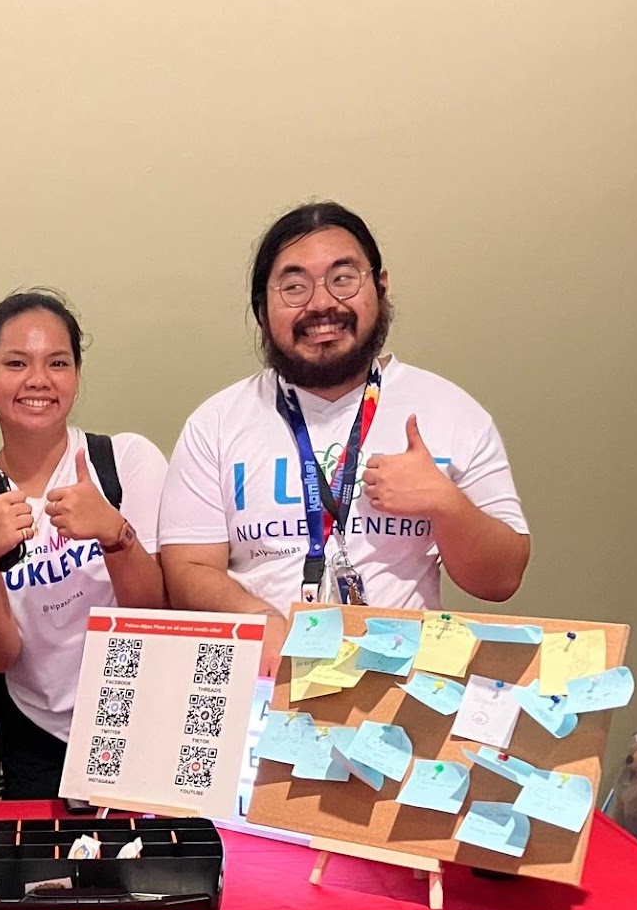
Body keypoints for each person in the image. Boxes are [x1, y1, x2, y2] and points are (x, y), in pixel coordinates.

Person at [159, 202, 529, 662]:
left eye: (343, 278)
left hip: (403, 694)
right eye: (294, 287)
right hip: (263, 683)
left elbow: (501, 580)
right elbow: (188, 568)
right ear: (261, 310)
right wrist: (264, 624)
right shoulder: (216, 422)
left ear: (380, 286)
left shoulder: (449, 410)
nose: (321, 304)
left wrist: (446, 505)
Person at [0, 291, 166, 798]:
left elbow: (160, 615)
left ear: (76, 374)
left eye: (57, 362)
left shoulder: (126, 462)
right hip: (33, 742)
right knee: (41, 878)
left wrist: (115, 534)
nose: (38, 380)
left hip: (142, 727)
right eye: (16, 363)